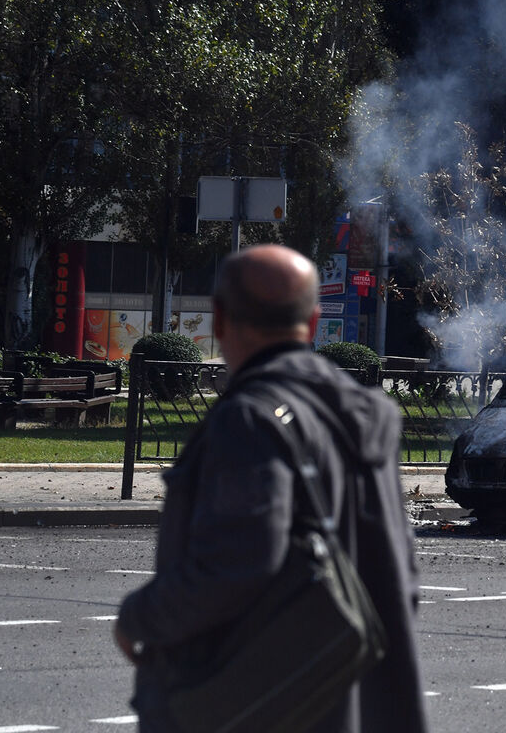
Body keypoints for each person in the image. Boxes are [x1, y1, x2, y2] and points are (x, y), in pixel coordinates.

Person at [115, 244, 428, 732]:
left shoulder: (249, 419)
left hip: (262, 704)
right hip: (357, 695)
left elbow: (239, 562)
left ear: (219, 320)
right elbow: (400, 571)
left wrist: (139, 617)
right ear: (312, 322)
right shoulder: (369, 415)